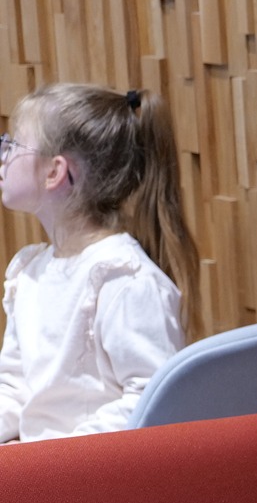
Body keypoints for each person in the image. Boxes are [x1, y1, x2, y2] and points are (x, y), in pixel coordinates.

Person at [0, 82, 194, 442]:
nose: (4, 156)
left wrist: (54, 458)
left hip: (94, 471)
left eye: (14, 145)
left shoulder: (124, 279)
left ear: (54, 172)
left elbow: (150, 400)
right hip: (38, 466)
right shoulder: (29, 272)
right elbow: (14, 388)